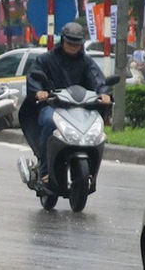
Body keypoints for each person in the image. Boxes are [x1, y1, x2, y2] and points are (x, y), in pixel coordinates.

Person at [19, 22, 110, 184]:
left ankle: (91, 167)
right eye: (70, 43)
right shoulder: (46, 59)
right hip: (52, 106)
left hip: (80, 108)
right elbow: (34, 76)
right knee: (49, 122)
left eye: (77, 43)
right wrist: (39, 91)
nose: (73, 46)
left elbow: (97, 78)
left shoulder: (86, 62)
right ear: (62, 40)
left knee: (96, 126)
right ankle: (45, 168)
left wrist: (103, 93)